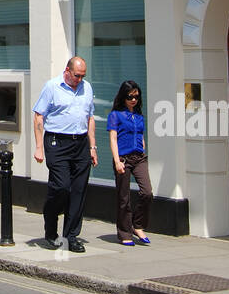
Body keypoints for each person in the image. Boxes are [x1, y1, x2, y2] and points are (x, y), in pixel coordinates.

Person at [32, 55, 97, 252]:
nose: (79, 79)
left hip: (80, 143)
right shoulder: (52, 87)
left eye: (82, 76)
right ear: (67, 71)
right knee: (61, 187)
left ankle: (71, 236)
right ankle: (50, 229)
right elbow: (38, 115)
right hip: (56, 142)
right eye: (77, 75)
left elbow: (90, 118)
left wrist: (93, 147)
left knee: (78, 191)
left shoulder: (87, 88)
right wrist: (38, 147)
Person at [108, 80, 153, 246]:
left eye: (136, 96)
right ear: (123, 97)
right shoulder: (116, 115)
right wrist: (117, 160)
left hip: (139, 157)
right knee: (123, 197)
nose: (133, 100)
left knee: (147, 192)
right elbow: (113, 139)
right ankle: (124, 232)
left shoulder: (139, 115)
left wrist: (143, 149)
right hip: (123, 159)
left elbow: (140, 135)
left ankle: (138, 225)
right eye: (129, 97)